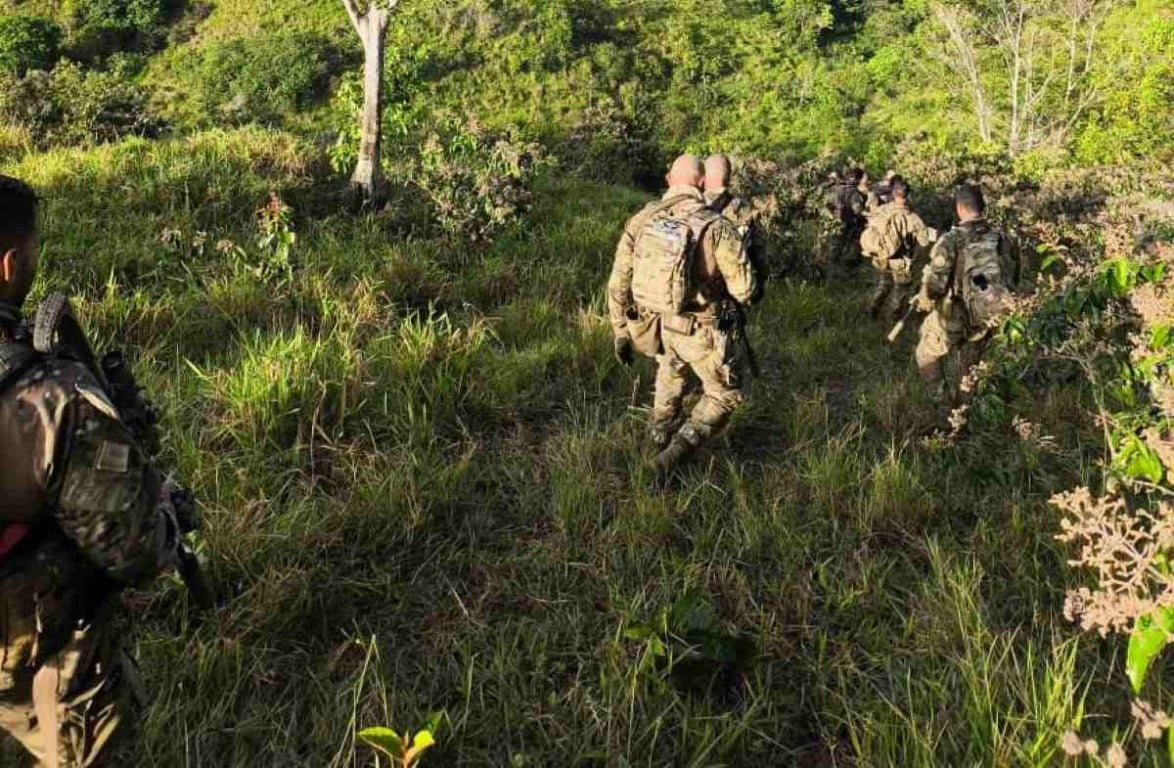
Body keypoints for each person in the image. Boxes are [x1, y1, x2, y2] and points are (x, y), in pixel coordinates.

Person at [0, 174, 183, 767]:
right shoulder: (51, 397)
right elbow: (131, 552)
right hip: (24, 648)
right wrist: (168, 516)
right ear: (9, 264)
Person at [608, 155, 758, 474]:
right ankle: (672, 456)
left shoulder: (642, 220)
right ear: (702, 183)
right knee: (723, 395)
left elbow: (619, 282)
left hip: (657, 326)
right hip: (702, 330)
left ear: (667, 179)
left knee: (670, 377)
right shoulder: (717, 227)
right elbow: (745, 290)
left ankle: (655, 439)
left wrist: (621, 330)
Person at [913, 183, 1020, 400]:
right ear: (983, 207)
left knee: (925, 353)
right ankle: (963, 412)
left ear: (959, 209)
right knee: (968, 366)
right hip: (988, 313)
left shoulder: (951, 240)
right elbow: (1013, 276)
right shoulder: (1004, 238)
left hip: (955, 314)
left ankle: (943, 404)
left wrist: (923, 298)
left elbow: (936, 284)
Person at [861, 178, 936, 323]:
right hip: (900, 260)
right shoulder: (913, 218)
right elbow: (924, 242)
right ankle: (892, 319)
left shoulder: (882, 210)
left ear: (893, 194)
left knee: (884, 284)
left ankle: (872, 310)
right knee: (900, 290)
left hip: (880, 255)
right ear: (907, 196)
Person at [703, 153, 767, 303]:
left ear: (704, 176)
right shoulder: (747, 212)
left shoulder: (691, 206)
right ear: (729, 177)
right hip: (731, 296)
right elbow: (760, 260)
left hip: (693, 299)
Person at [830, 168, 868, 272]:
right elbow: (858, 210)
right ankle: (843, 271)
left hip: (832, 220)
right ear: (858, 179)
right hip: (846, 222)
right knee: (844, 246)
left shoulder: (837, 188)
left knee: (834, 245)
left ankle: (831, 268)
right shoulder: (854, 193)